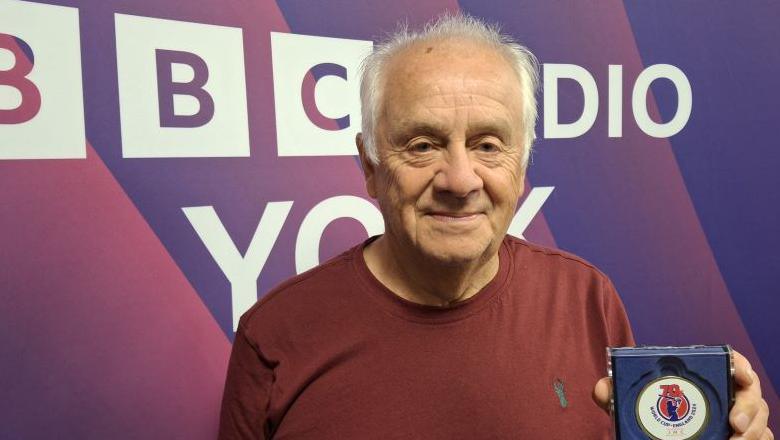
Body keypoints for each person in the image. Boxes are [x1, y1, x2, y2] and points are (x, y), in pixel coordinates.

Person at [219, 13, 771, 439]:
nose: (460, 179)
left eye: (488, 144)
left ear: (523, 167)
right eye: (422, 145)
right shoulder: (275, 337)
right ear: (369, 166)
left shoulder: (586, 299)